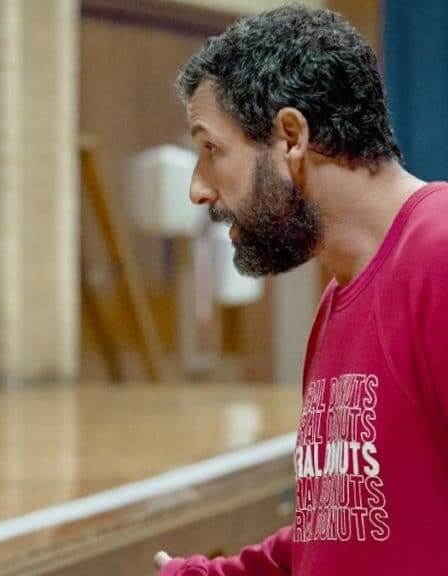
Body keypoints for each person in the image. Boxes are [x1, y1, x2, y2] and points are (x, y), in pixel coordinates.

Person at [156, 6, 448, 575]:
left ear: (291, 137)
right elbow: (339, 533)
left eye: (211, 149)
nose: (198, 188)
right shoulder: (339, 299)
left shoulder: (440, 256)